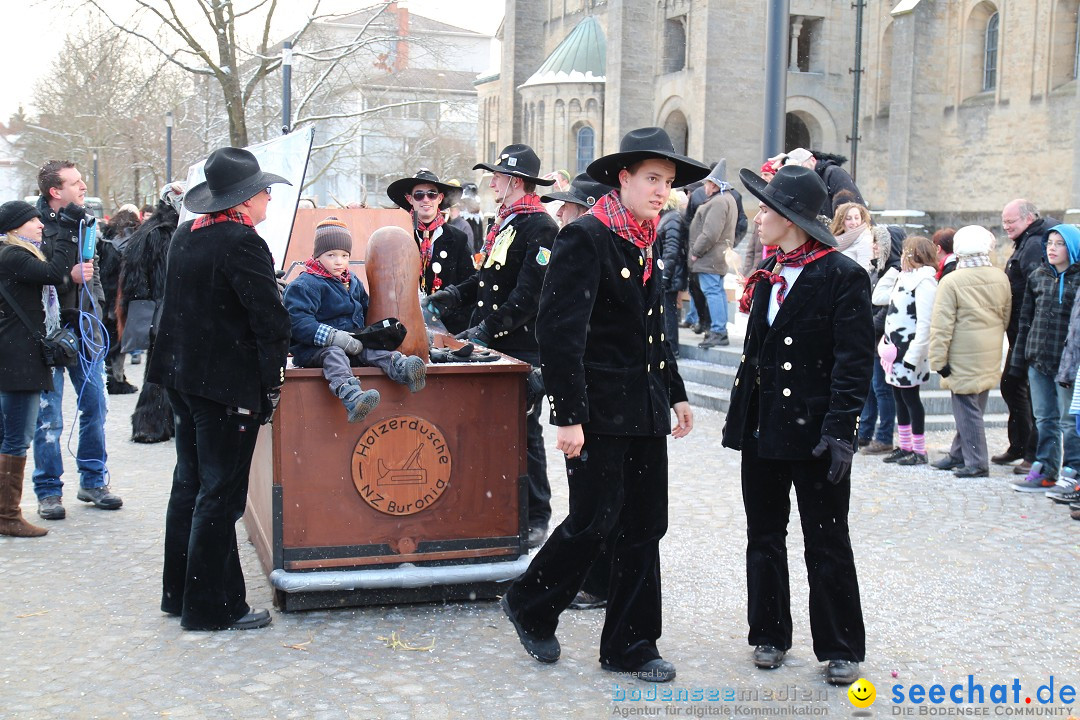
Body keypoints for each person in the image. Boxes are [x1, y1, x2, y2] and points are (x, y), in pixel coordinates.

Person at [500, 126, 703, 683]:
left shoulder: (646, 238)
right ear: (624, 178)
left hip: (643, 407)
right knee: (594, 519)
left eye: (668, 182)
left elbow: (654, 332)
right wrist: (567, 415)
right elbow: (560, 331)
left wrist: (677, 392)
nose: (662, 191)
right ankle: (530, 603)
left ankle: (631, 645)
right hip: (595, 409)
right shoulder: (586, 236)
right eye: (653, 179)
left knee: (645, 525)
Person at [724, 163, 872, 686]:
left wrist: (840, 431)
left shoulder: (843, 277)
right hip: (763, 429)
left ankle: (840, 646)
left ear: (790, 217)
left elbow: (854, 363)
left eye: (766, 208)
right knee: (763, 534)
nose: (758, 217)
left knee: (827, 539)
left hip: (815, 435)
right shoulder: (768, 274)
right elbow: (757, 353)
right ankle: (769, 632)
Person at [148, 147, 292, 631]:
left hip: (182, 377)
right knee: (220, 496)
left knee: (189, 485)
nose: (269, 199)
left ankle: (179, 593)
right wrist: (271, 383)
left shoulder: (189, 232)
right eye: (265, 192)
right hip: (224, 386)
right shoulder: (243, 241)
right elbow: (270, 323)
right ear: (246, 199)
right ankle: (212, 608)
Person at [425, 143, 559, 548]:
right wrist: (452, 295)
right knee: (494, 430)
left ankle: (536, 514)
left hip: (521, 348)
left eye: (497, 176)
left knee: (524, 432)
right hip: (497, 344)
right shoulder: (506, 222)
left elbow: (528, 296)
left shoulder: (541, 228)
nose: (492, 182)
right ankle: (498, 507)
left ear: (515, 182)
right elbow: (487, 281)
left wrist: (484, 330)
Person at [539, 170, 616, 611]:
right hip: (586, 391)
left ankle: (556, 588)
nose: (561, 212)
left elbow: (570, 332)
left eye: (569, 205)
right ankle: (593, 580)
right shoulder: (582, 242)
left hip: (598, 391)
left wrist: (570, 412)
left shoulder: (587, 243)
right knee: (593, 503)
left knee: (593, 506)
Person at [32, 160, 123, 521]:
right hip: (47, 335)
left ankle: (93, 481)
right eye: (76, 182)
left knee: (96, 407)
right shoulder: (31, 226)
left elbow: (94, 271)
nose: (84, 186)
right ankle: (49, 491)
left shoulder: (87, 222)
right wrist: (69, 279)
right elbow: (30, 280)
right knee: (48, 416)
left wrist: (96, 311)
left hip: (85, 332)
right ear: (56, 191)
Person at [283, 216, 427, 423]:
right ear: (317, 255)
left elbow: (367, 309)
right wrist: (333, 337)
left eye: (344, 255)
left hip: (352, 341)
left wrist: (378, 332)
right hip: (314, 349)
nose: (339, 261)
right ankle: (351, 395)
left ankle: (402, 369)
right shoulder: (305, 284)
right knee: (334, 354)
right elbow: (297, 323)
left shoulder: (351, 281)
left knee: (372, 350)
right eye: (331, 255)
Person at [0, 200, 85, 537]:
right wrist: (66, 231)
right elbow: (57, 273)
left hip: (13, 357)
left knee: (8, 436)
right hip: (18, 361)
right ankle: (7, 516)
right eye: (32, 221)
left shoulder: (11, 255)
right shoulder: (13, 256)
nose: (39, 224)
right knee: (16, 439)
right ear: (14, 228)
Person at [927, 225, 1011, 478]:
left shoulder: (952, 280)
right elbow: (1005, 316)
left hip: (962, 352)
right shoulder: (1000, 277)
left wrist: (938, 359)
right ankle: (958, 453)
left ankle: (976, 462)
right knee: (975, 405)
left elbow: (941, 324)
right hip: (990, 349)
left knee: (966, 409)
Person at [1007, 224, 1080, 492]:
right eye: (1049, 242)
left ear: (1071, 247)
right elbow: (1025, 319)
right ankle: (1047, 470)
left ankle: (1073, 471)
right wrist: (1019, 359)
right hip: (1038, 357)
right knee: (1044, 418)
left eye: (1059, 243)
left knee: (1069, 420)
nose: (1052, 248)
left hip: (1068, 363)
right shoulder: (1038, 276)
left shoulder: (1078, 278)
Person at [997, 199, 1058, 474]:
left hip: (1030, 333)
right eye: (1004, 222)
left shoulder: (1034, 244)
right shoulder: (1027, 241)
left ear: (1029, 219)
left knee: (1028, 391)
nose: (1007, 226)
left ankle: (1032, 454)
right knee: (1013, 385)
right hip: (1022, 331)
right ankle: (1020, 445)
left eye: (1011, 221)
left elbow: (1036, 290)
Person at [121, 183, 184, 444]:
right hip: (165, 307)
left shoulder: (152, 230)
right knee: (162, 369)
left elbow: (134, 276)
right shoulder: (162, 233)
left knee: (160, 368)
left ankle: (158, 422)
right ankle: (151, 423)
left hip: (158, 307)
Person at [874, 236, 939, 466]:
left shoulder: (925, 281)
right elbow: (879, 297)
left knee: (911, 399)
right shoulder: (903, 276)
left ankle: (919, 450)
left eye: (906, 252)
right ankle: (905, 445)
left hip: (910, 352)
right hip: (894, 351)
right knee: (898, 397)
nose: (902, 256)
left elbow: (924, 322)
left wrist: (913, 356)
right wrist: (892, 273)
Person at [386, 170, 474, 335]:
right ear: (409, 199)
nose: (425, 199)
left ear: (440, 198)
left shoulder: (458, 238)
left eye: (431, 194)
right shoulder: (398, 235)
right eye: (419, 195)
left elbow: (468, 285)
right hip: (403, 327)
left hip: (448, 328)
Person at [858, 222, 903, 454]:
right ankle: (865, 432)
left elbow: (887, 308)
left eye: (879, 242)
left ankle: (884, 436)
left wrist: (867, 327)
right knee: (871, 389)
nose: (874, 246)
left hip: (882, 339)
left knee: (882, 389)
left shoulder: (894, 271)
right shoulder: (877, 269)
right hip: (871, 337)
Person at [688, 163, 737, 348]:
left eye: (707, 183)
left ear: (715, 185)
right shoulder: (726, 199)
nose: (705, 187)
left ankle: (718, 331)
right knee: (717, 291)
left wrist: (696, 252)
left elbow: (710, 233)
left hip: (709, 257)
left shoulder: (718, 202)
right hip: (717, 256)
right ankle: (720, 330)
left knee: (712, 292)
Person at [99, 205, 141, 395]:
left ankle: (109, 376)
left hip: (104, 294)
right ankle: (116, 378)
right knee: (119, 339)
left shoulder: (104, 237)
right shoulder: (133, 239)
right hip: (121, 295)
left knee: (106, 337)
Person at [785, 148, 865, 218]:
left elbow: (850, 209)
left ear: (813, 160)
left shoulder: (834, 172)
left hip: (851, 231)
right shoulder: (808, 182)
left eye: (802, 167)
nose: (802, 173)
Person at [829, 202, 875, 272]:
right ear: (841, 221)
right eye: (848, 218)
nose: (853, 222)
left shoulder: (864, 240)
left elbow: (863, 273)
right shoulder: (835, 240)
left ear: (862, 218)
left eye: (857, 218)